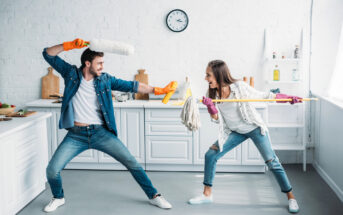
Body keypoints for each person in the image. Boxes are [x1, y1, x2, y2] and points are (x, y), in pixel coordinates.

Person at [42, 38, 174, 212]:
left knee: (131, 162)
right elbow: (48, 54)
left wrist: (157, 90)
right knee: (52, 170)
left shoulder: (105, 79)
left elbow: (132, 86)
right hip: (76, 135)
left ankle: (154, 196)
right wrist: (69, 45)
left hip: (100, 133)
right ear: (87, 63)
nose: (102, 67)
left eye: (103, 63)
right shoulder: (71, 74)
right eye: (99, 63)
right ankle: (58, 197)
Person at [188, 60, 301, 213]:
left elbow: (264, 96)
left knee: (272, 162)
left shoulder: (239, 87)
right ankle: (207, 194)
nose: (205, 78)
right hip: (234, 131)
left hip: (254, 127)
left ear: (219, 75)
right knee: (211, 155)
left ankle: (291, 197)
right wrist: (210, 106)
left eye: (208, 75)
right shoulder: (211, 92)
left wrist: (288, 98)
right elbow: (216, 118)